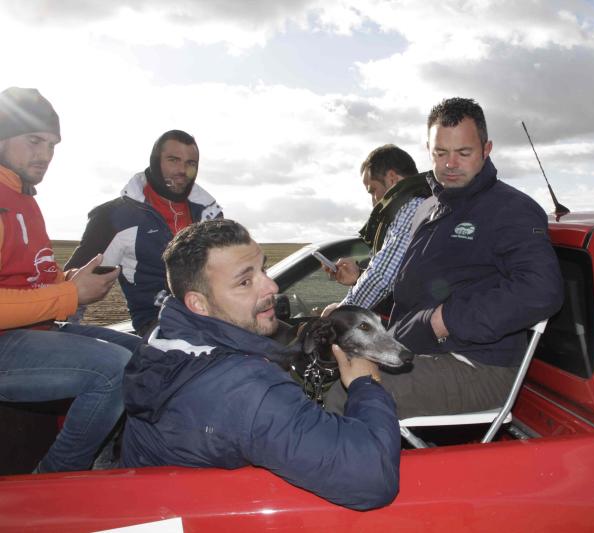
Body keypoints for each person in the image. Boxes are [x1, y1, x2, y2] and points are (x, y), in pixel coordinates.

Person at [121, 219, 400, 510]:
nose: (272, 286)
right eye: (245, 281)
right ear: (199, 304)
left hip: (154, 504)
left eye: (263, 269)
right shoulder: (245, 388)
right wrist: (366, 385)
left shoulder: (163, 338)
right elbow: (373, 478)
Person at [326, 97, 563, 418]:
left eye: (463, 153)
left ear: (486, 149)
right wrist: (355, 304)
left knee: (343, 394)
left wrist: (445, 320)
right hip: (413, 349)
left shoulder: (510, 210)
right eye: (440, 153)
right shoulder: (428, 209)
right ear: (429, 150)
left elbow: (540, 290)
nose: (450, 164)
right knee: (322, 368)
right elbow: (412, 284)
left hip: (478, 365)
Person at [0, 87, 140, 473]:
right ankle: (54, 480)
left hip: (31, 329)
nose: (44, 155)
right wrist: (68, 295)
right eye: (33, 141)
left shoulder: (24, 197)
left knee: (145, 353)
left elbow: (23, 280)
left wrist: (68, 280)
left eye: (52, 145)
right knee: (113, 369)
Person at [65, 130, 223, 336]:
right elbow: (75, 286)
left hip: (218, 316)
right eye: (173, 160)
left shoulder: (210, 214)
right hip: (161, 324)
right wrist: (57, 342)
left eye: (191, 163)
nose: (182, 170)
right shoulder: (114, 218)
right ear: (155, 161)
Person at [321, 145, 430, 318]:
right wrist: (359, 276)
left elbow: (381, 278)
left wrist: (341, 313)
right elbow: (400, 277)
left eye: (373, 190)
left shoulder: (412, 207)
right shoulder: (421, 205)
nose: (373, 201)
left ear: (392, 178)